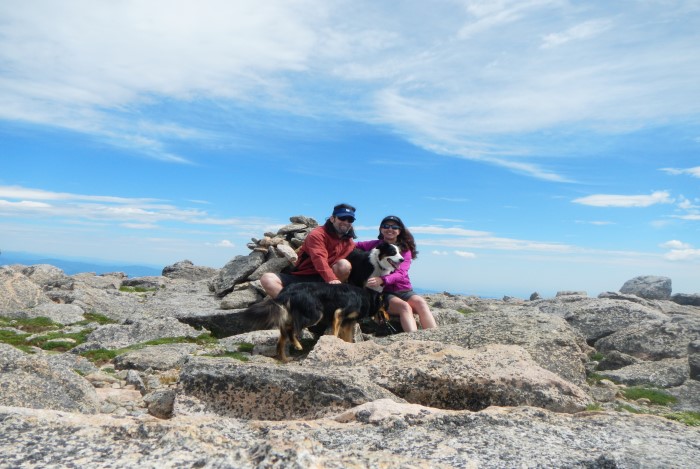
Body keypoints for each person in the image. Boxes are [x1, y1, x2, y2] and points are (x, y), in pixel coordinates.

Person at [356, 215, 436, 332]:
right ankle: (414, 341)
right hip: (385, 292)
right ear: (381, 229)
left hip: (404, 289)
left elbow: (401, 273)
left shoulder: (405, 250)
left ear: (399, 231)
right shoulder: (375, 245)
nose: (390, 229)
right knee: (405, 307)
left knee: (421, 303)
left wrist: (382, 279)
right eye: (386, 226)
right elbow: (351, 246)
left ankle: (434, 337)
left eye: (394, 227)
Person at [260, 203, 357, 298]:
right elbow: (319, 258)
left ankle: (330, 300)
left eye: (350, 219)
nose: (346, 222)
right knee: (267, 279)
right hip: (304, 277)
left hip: (325, 280)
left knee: (344, 265)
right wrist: (332, 279)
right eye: (342, 218)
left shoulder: (349, 241)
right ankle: (293, 306)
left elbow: (360, 249)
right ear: (332, 218)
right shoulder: (317, 234)